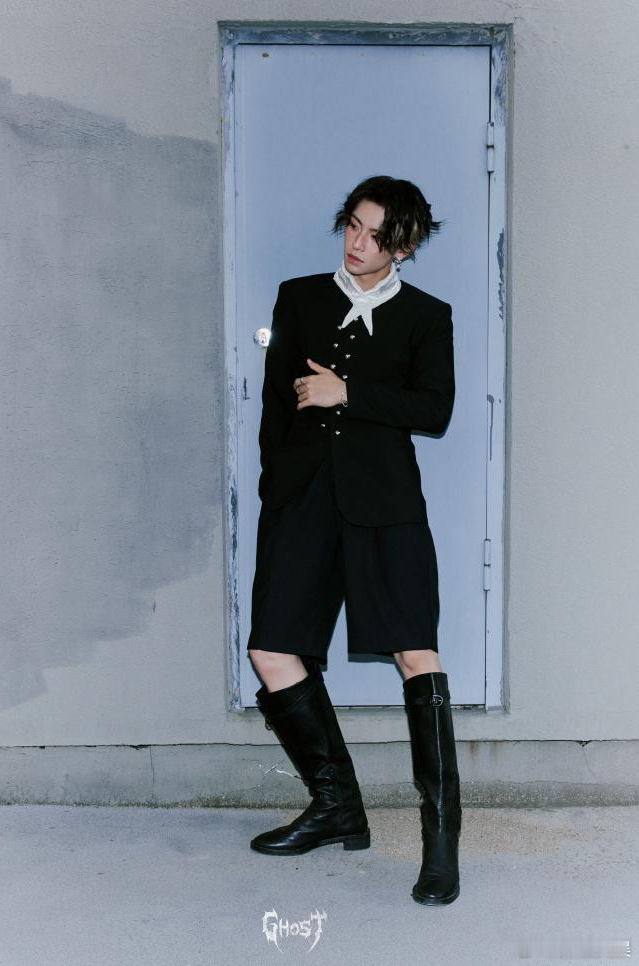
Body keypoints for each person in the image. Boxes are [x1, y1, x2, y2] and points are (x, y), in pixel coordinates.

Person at [247, 175, 461, 906]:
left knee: (416, 653)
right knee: (273, 650)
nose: (358, 243)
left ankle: (441, 845)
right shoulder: (300, 297)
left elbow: (435, 409)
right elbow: (275, 407)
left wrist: (349, 393)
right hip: (303, 500)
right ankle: (337, 806)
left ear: (405, 246)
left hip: (384, 504)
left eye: (376, 235)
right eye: (353, 226)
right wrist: (276, 493)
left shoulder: (427, 316)